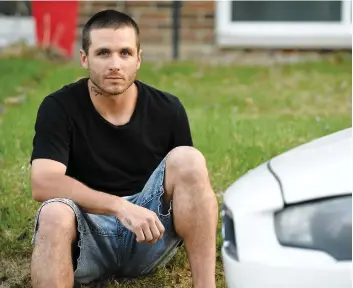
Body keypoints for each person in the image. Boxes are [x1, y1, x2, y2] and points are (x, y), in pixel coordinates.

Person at [29, 9, 218, 288]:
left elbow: (191, 189)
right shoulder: (58, 107)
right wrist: (119, 207)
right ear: (85, 58)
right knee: (54, 213)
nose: (115, 64)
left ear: (139, 59)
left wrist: (137, 210)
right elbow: (43, 183)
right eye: (103, 53)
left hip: (149, 234)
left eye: (125, 53)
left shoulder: (168, 109)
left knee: (189, 160)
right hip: (86, 236)